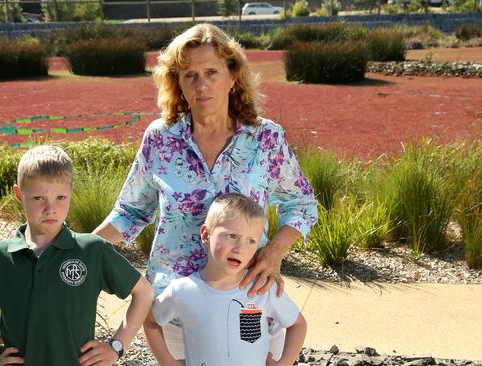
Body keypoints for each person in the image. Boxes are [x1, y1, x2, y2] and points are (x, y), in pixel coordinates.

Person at [93, 23, 318, 360]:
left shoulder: (266, 139)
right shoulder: (161, 138)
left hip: (247, 297)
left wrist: (274, 253)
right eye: (189, 75)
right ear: (177, 84)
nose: (202, 85)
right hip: (175, 305)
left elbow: (302, 205)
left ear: (232, 76)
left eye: (211, 71)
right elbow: (131, 212)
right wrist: (78, 247)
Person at [0, 145, 154, 366]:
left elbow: (144, 293)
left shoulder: (91, 250)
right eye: (38, 198)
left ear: (71, 192)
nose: (50, 208)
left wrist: (116, 346)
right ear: (18, 194)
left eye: (61, 197)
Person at [147, 193, 307, 366]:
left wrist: (284, 363)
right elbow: (149, 321)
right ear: (206, 235)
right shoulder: (182, 291)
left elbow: (298, 325)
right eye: (232, 236)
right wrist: (167, 362)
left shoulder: (261, 288)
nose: (240, 248)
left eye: (251, 241)